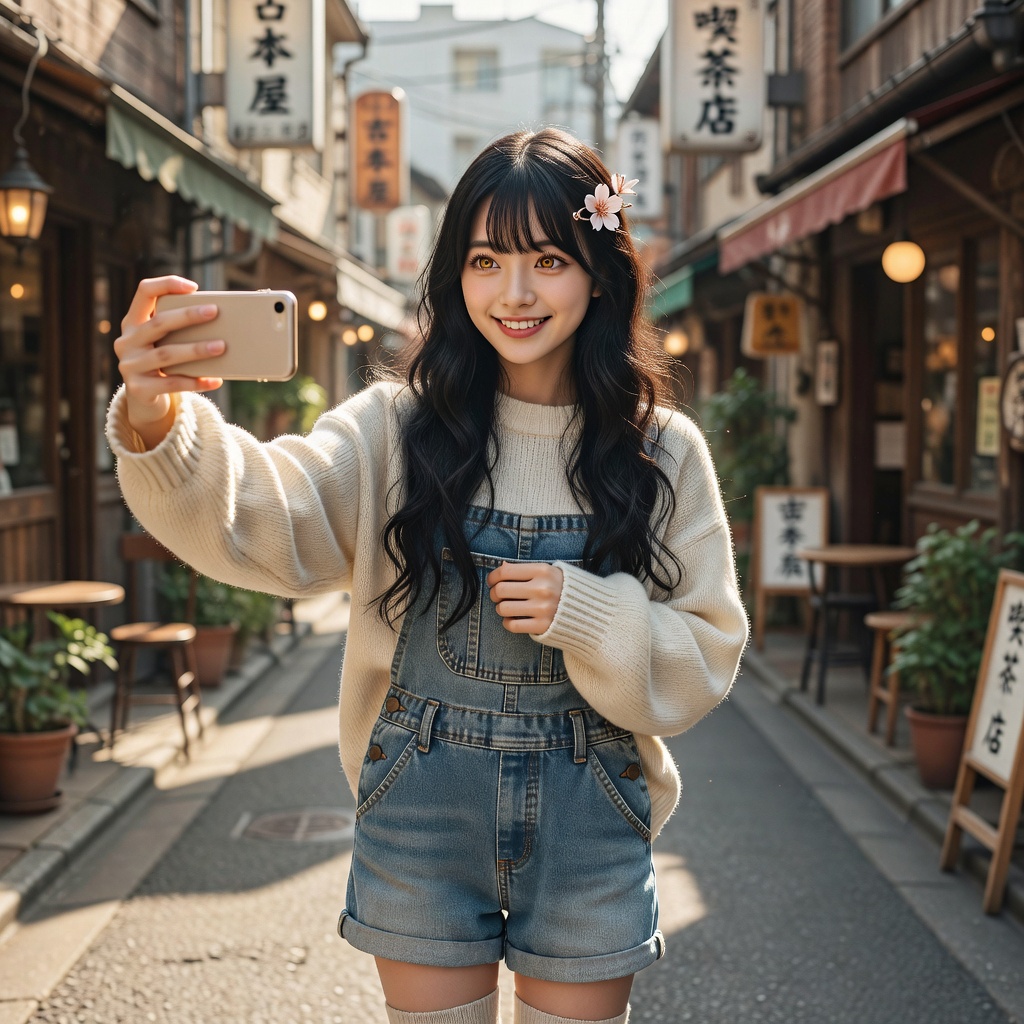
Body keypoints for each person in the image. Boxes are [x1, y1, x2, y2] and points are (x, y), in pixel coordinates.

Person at [106, 128, 748, 1024]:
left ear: (599, 273)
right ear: (454, 275)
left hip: (591, 806)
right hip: (420, 797)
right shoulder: (396, 429)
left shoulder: (660, 452)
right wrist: (154, 414)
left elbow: (710, 651)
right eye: (485, 260)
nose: (513, 294)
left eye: (548, 260)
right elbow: (266, 519)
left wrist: (590, 613)